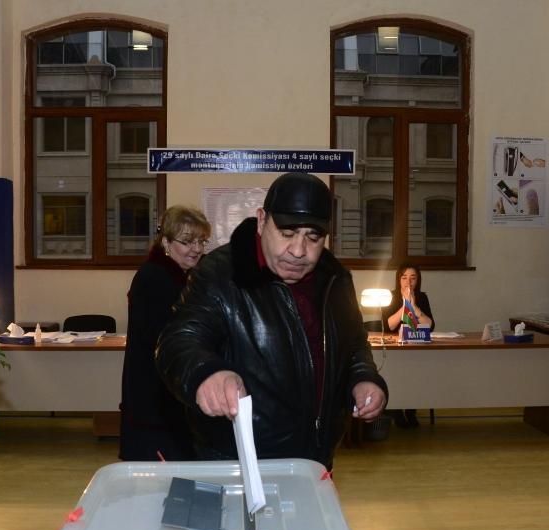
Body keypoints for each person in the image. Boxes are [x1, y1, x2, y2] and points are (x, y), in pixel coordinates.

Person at [156, 173, 388, 470]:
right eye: (287, 233)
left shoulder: (335, 279)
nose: (299, 251)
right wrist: (204, 372)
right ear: (262, 221)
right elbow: (178, 340)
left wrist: (363, 378)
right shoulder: (219, 274)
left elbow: (354, 344)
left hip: (315, 460)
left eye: (313, 238)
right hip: (238, 462)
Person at [119, 206, 212, 461]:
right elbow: (165, 337)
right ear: (166, 242)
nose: (196, 249)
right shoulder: (154, 277)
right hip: (156, 397)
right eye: (187, 241)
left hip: (169, 392)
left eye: (201, 241)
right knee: (162, 472)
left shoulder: (184, 275)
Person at [381, 262, 434, 428]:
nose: (408, 282)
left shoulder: (422, 297)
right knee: (396, 373)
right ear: (398, 279)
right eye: (404, 278)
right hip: (394, 349)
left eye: (413, 278)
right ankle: (396, 410)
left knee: (415, 372)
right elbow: (389, 325)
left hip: (415, 346)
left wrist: (414, 306)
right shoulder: (390, 296)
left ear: (418, 280)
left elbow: (430, 325)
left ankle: (411, 409)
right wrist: (405, 305)